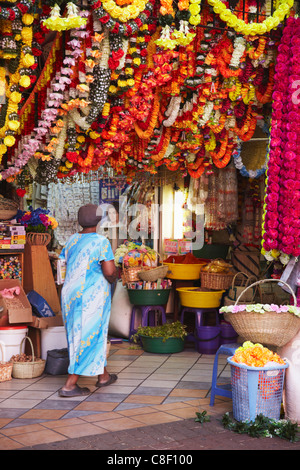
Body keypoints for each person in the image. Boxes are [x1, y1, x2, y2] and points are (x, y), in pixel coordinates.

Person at [58, 204, 118, 397]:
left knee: (83, 334)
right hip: (91, 296)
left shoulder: (72, 240)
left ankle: (103, 376)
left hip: (70, 294)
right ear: (99, 220)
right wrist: (115, 276)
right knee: (88, 335)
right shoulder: (101, 242)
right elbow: (108, 271)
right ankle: (70, 384)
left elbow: (62, 266)